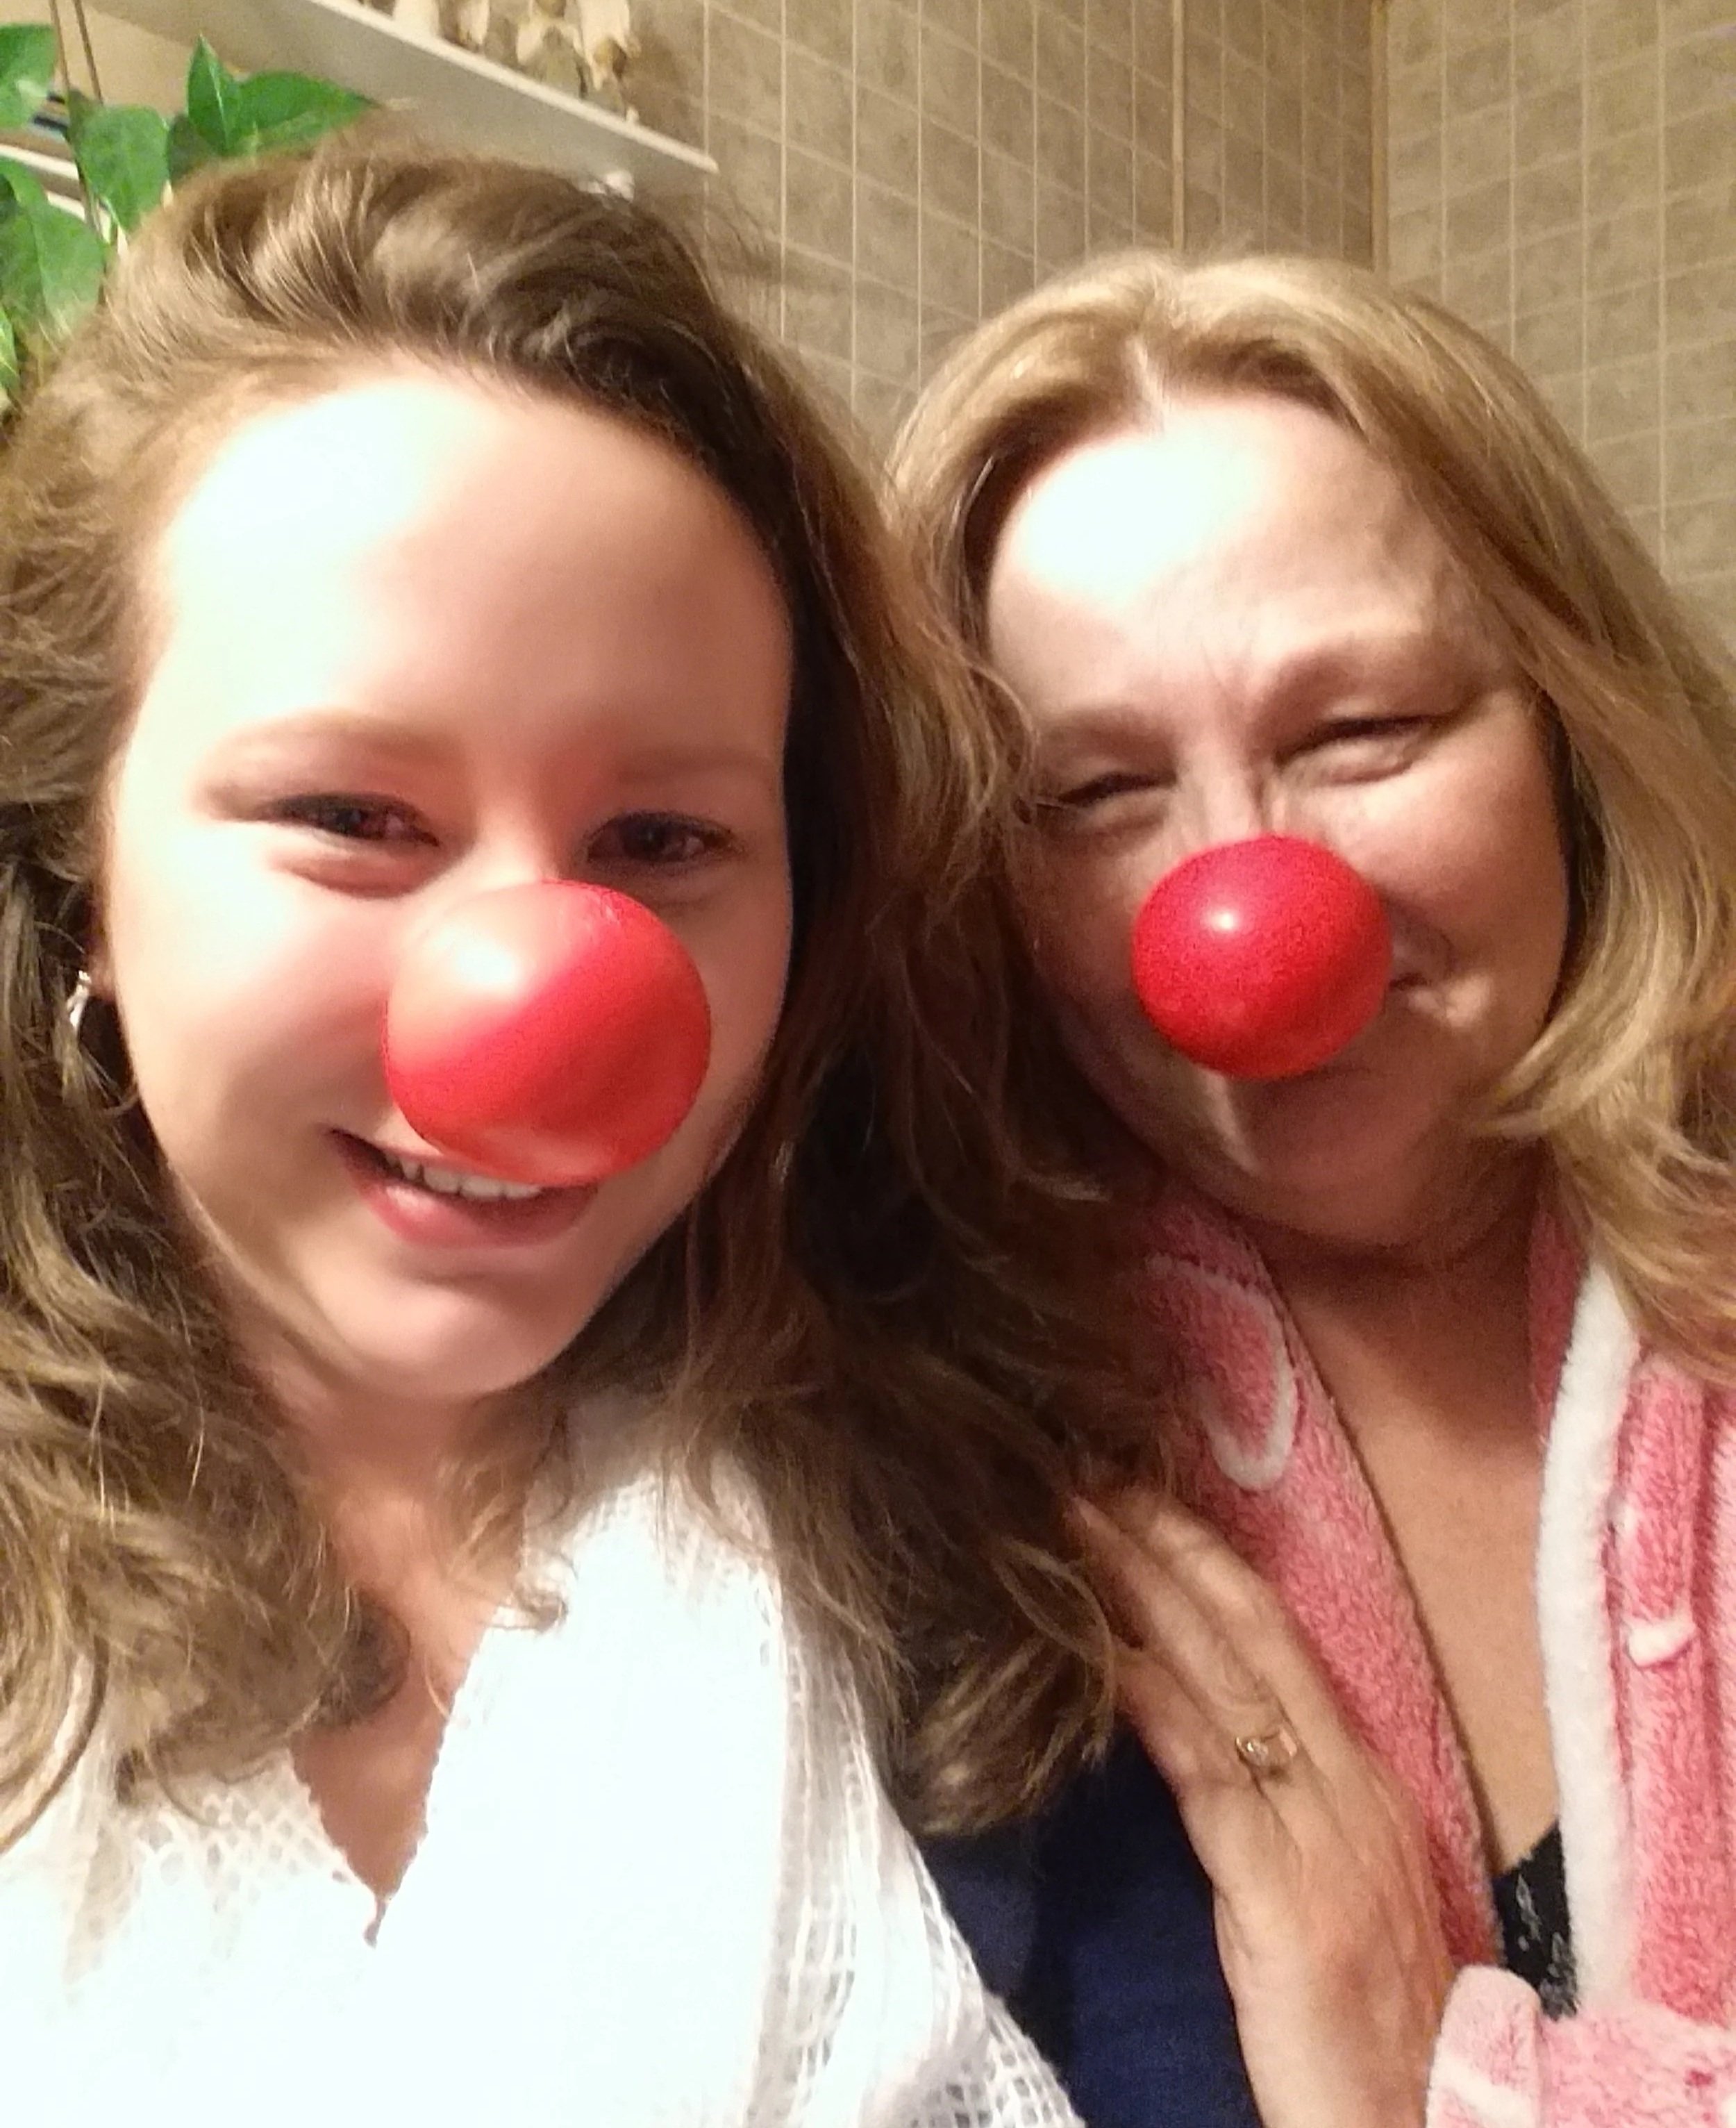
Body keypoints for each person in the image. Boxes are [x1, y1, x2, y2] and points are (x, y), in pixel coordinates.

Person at [0, 135, 1154, 2125]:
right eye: (352, 819)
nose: (535, 1007)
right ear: (75, 860)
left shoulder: (990, 1591)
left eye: (664, 842)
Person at [894, 248, 1736, 2128]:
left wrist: (1427, 2087)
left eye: (1359, 732)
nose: (1244, 910)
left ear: (1570, 742)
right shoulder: (943, 1471)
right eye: (1094, 795)